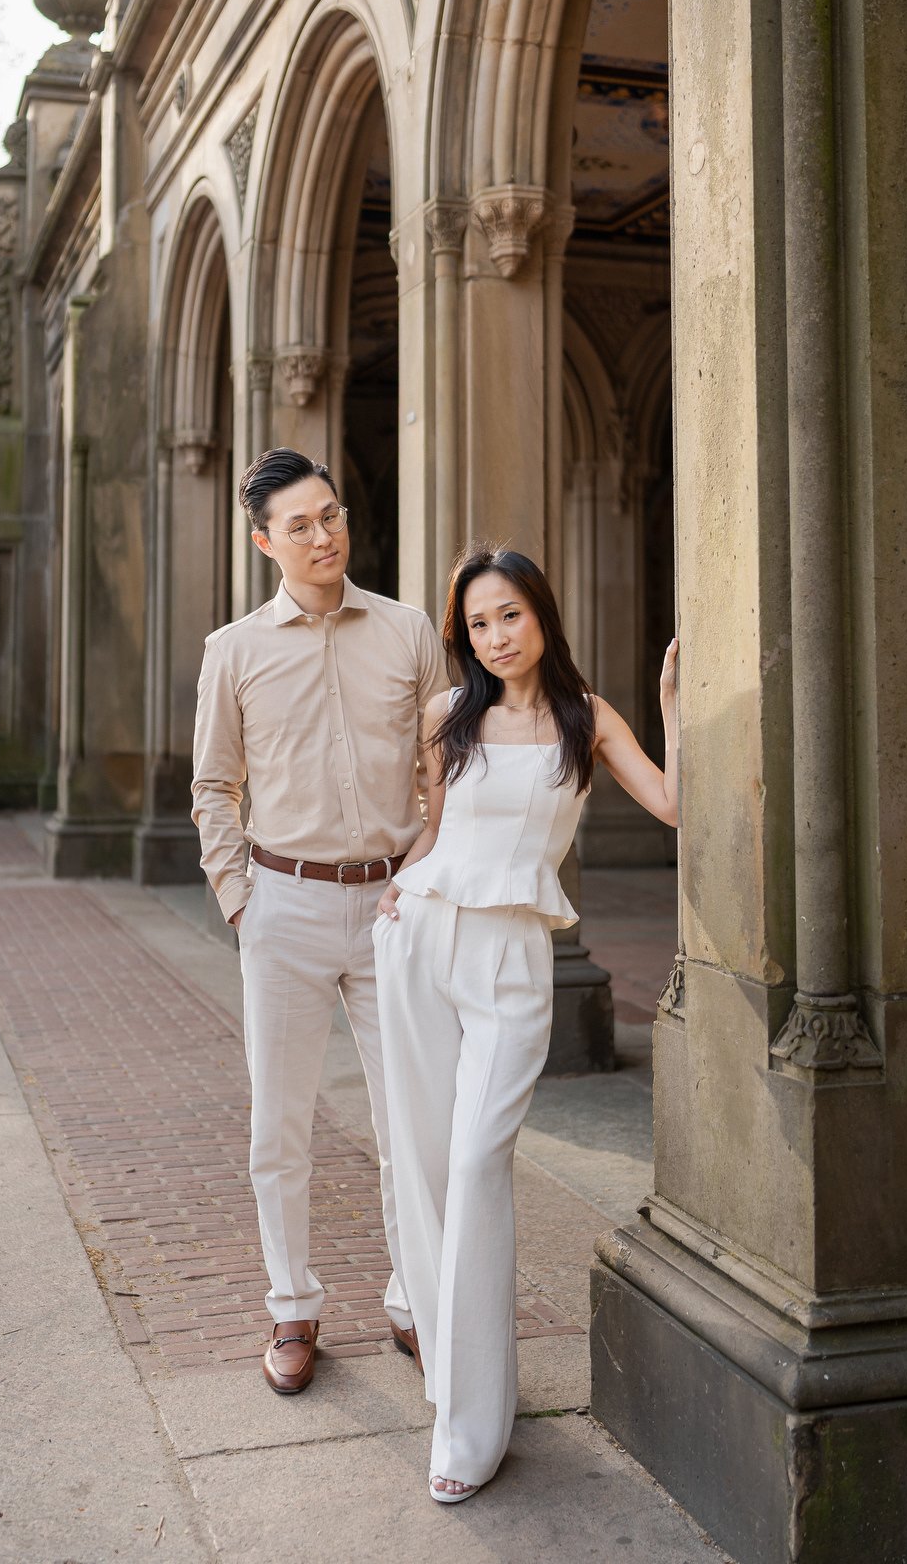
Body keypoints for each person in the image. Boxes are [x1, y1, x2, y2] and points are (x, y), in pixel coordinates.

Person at [373, 543, 678, 1502]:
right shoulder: (445, 716)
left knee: (473, 1167)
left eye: (509, 615)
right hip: (420, 938)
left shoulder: (586, 722)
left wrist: (674, 715)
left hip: (512, 959)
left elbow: (675, 805)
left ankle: (472, 1432)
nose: (495, 637)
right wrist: (398, 884)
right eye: (476, 624)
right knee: (417, 1164)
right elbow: (434, 827)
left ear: (541, 613)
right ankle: (454, 1386)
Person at [191, 448, 448, 1394]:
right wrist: (241, 903)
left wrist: (425, 867)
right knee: (280, 1127)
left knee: (412, 1121)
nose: (322, 535)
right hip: (284, 904)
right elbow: (213, 787)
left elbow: (442, 771)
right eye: (298, 524)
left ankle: (414, 1300)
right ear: (265, 541)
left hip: (393, 905)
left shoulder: (410, 631)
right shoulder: (236, 652)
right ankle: (291, 1309)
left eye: (331, 515)